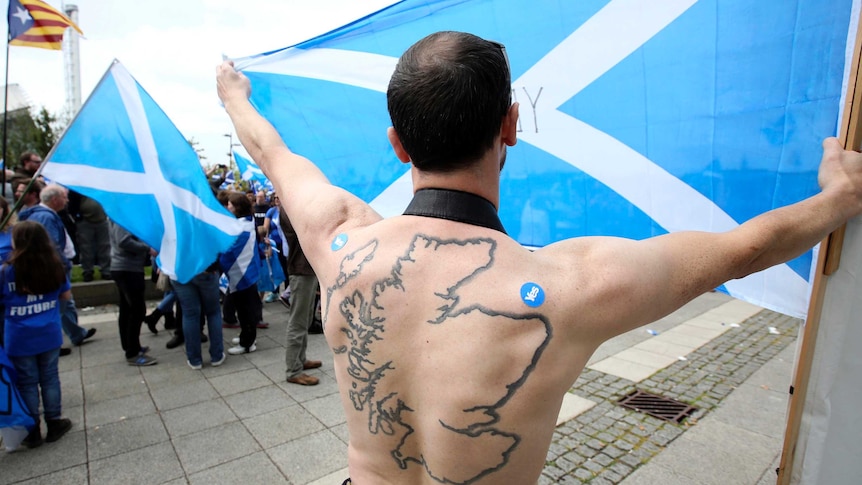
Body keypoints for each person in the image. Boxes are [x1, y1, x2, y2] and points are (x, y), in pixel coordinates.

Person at [217, 30, 862, 485]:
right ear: (510, 127)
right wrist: (839, 197)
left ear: (397, 144)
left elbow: (273, 153)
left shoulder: (341, 244)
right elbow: (741, 249)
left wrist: (233, 97)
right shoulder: (569, 285)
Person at [1, 221, 74, 448]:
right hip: (49, 331)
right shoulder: (54, 266)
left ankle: (32, 430)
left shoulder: (6, 271)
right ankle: (54, 421)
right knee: (50, 377)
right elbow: (66, 296)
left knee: (27, 382)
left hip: (19, 335)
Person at [16, 181, 96, 348]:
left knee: (66, 304)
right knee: (60, 304)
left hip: (56, 266)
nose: (67, 201)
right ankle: (51, 341)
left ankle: (76, 334)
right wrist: (62, 265)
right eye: (64, 198)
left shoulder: (46, 215)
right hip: (55, 268)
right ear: (55, 199)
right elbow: (51, 245)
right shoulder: (45, 217)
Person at [109, 220, 157, 366]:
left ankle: (131, 346)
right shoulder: (121, 216)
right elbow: (124, 241)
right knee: (137, 310)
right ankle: (132, 353)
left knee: (126, 309)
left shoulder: (118, 213)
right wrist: (147, 248)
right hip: (127, 268)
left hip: (125, 267)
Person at [221, 191, 262, 355]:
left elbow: (228, 251)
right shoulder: (247, 222)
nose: (227, 207)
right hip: (248, 273)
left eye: (230, 205)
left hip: (242, 274)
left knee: (245, 310)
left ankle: (247, 343)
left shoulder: (239, 228)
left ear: (237, 207)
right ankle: (248, 335)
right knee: (247, 308)